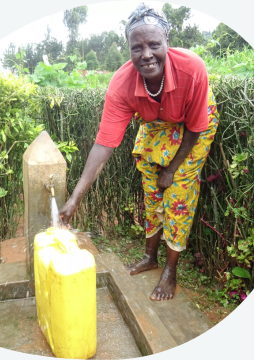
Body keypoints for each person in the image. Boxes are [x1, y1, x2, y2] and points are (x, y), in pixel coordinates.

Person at [59, 3, 219, 301]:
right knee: (151, 188)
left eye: (154, 44)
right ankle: (150, 256)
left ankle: (171, 270)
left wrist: (171, 170)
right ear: (128, 49)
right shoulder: (121, 84)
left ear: (167, 43)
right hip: (156, 124)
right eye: (137, 47)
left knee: (179, 195)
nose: (146, 54)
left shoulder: (192, 68)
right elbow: (104, 143)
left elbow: (196, 127)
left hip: (194, 124)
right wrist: (74, 198)